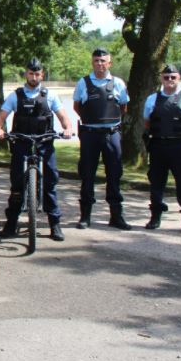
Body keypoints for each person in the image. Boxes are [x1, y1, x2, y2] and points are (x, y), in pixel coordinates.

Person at [0, 58, 74, 241]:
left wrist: (68, 128)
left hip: (44, 143)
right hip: (21, 143)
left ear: (42, 75)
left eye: (37, 74)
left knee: (50, 184)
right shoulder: (15, 96)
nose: (34, 77)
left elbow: (64, 117)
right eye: (31, 73)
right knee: (17, 186)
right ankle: (11, 224)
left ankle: (55, 225)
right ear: (26, 74)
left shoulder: (50, 96)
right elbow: (0, 118)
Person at [72, 48, 131, 230]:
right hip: (90, 135)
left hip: (111, 134)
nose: (100, 63)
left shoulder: (118, 83)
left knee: (114, 175)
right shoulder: (83, 83)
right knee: (87, 175)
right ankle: (85, 216)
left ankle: (116, 216)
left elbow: (123, 107)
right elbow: (77, 107)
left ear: (109, 63)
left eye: (103, 61)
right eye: (96, 60)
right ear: (92, 62)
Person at [142, 64, 181, 234]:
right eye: (166, 77)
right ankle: (155, 217)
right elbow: (148, 122)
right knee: (156, 183)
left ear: (179, 78)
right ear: (161, 78)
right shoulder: (151, 99)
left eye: (173, 77)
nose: (169, 80)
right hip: (158, 147)